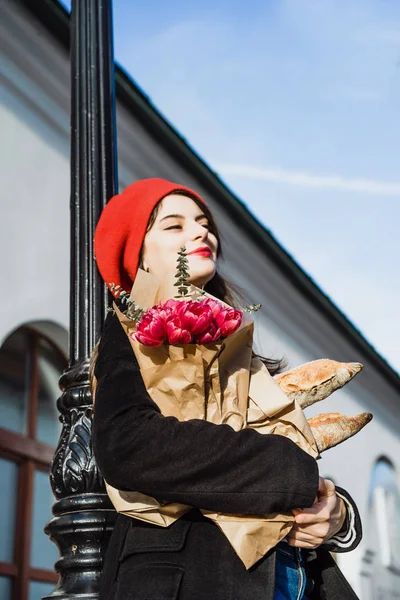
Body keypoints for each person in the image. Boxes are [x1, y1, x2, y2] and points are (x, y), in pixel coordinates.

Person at [92, 178, 362, 600]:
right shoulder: (129, 336)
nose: (201, 232)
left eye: (203, 223)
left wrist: (337, 512)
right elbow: (129, 444)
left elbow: (296, 456)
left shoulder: (241, 351)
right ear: (138, 255)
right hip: (193, 576)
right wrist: (291, 473)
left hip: (299, 577)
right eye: (174, 226)